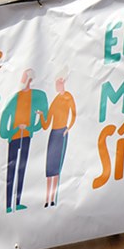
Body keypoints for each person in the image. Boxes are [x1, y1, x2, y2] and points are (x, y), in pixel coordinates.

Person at [0, 69, 48, 213]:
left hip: (26, 136)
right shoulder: (15, 97)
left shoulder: (36, 96)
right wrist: (11, 131)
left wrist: (31, 128)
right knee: (11, 170)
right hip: (14, 138)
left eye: (25, 77)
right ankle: (8, 205)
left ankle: (18, 202)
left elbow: (43, 116)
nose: (22, 79)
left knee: (22, 168)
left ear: (30, 80)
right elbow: (5, 116)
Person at [38, 77, 76, 207]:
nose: (57, 87)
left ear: (63, 84)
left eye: (58, 84)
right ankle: (47, 199)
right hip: (53, 134)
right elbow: (46, 124)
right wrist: (41, 115)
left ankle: (53, 198)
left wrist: (68, 128)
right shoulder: (55, 101)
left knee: (56, 168)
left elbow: (74, 114)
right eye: (56, 85)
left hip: (62, 133)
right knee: (49, 168)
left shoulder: (68, 97)